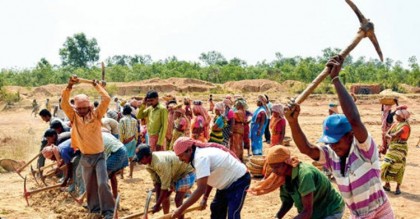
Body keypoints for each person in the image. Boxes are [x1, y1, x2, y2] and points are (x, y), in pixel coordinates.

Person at [285, 56, 394, 218]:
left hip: (380, 212)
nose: (333, 146)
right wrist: (293, 122)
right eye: (330, 142)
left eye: (337, 141)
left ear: (350, 135)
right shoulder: (331, 155)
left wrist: (335, 79)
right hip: (358, 215)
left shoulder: (365, 150)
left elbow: (355, 120)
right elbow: (306, 149)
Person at [61, 76, 115, 219]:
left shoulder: (97, 114)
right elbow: (63, 103)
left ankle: (109, 210)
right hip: (85, 157)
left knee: (103, 183)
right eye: (79, 108)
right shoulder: (73, 116)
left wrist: (96, 86)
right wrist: (69, 86)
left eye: (85, 108)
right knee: (89, 186)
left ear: (89, 106)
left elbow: (106, 99)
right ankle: (94, 209)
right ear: (76, 108)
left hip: (99, 156)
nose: (82, 111)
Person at [248, 146, 345, 219]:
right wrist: (277, 217)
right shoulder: (283, 176)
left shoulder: (305, 175)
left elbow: (307, 212)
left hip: (330, 210)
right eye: (272, 168)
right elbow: (287, 202)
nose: (274, 171)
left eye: (276, 167)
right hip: (313, 212)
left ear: (286, 163)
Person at [172, 137, 250, 219]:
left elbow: (201, 189)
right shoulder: (196, 157)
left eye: (181, 156)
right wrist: (205, 198)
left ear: (190, 150)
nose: (180, 159)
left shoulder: (201, 158)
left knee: (233, 214)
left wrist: (180, 209)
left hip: (240, 180)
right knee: (216, 209)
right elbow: (208, 178)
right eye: (178, 157)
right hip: (225, 183)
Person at [134, 145, 195, 219]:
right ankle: (167, 217)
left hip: (186, 172)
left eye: (141, 160)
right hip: (174, 173)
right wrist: (157, 203)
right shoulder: (148, 165)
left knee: (178, 199)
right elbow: (157, 183)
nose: (140, 162)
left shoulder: (160, 163)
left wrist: (157, 204)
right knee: (164, 197)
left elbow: (164, 188)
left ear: (145, 157)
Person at [381, 105, 411, 195]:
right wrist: (390, 136)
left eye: (397, 115)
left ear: (402, 117)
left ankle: (398, 187)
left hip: (400, 149)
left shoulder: (405, 126)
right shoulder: (396, 124)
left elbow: (393, 135)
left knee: (398, 166)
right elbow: (387, 133)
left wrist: (390, 136)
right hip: (393, 147)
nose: (395, 117)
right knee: (387, 164)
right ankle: (387, 184)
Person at [102, 132, 129, 198]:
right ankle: (115, 197)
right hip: (123, 150)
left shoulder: (96, 137)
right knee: (112, 174)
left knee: (102, 177)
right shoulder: (104, 133)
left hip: (117, 152)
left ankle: (105, 200)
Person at [119, 105, 138, 178]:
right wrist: (135, 140)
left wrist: (121, 142)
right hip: (133, 141)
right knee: (131, 158)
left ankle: (121, 175)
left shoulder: (122, 120)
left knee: (122, 158)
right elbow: (136, 131)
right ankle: (131, 174)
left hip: (125, 142)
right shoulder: (134, 120)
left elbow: (121, 132)